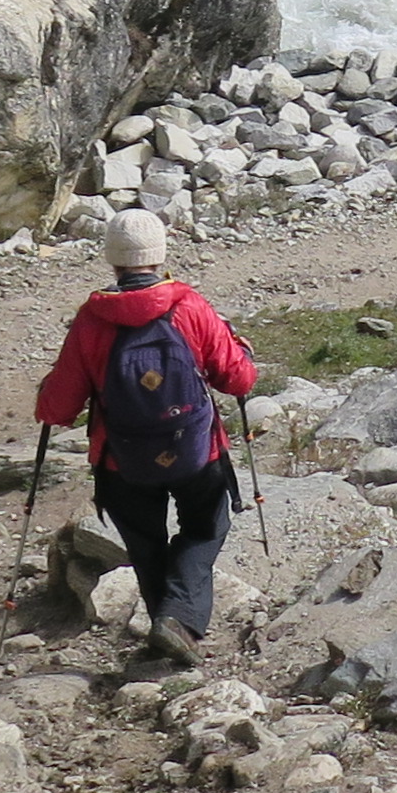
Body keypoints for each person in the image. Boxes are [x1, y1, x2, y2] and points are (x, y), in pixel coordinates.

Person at [33, 208, 256, 664]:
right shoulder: (189, 306)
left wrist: (45, 394)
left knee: (145, 542)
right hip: (195, 451)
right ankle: (177, 623)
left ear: (111, 259)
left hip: (123, 460)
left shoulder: (92, 320)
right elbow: (238, 381)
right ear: (159, 254)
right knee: (205, 526)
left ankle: (165, 637)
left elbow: (58, 409)